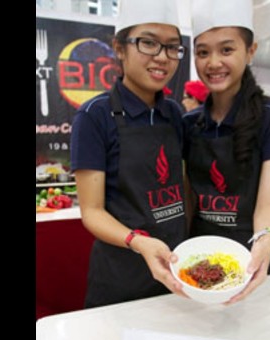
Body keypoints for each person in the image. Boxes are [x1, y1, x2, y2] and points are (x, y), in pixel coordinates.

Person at [70, 0, 189, 308]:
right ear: (119, 48)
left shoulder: (174, 113)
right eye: (148, 43)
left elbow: (181, 184)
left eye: (172, 47)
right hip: (121, 278)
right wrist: (139, 242)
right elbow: (92, 212)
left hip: (176, 269)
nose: (162, 57)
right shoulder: (94, 116)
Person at [184, 0, 270, 305]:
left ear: (250, 51)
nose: (213, 62)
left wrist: (265, 241)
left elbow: (266, 206)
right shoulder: (188, 123)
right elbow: (189, 199)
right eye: (203, 51)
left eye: (227, 49)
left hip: (250, 256)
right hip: (197, 258)